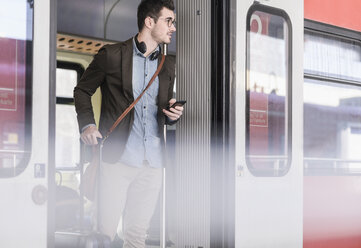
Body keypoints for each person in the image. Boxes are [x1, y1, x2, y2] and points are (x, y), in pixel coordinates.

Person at [73, 0, 182, 247]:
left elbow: (160, 111)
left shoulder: (168, 66)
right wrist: (87, 125)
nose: (173, 28)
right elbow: (82, 91)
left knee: (137, 236)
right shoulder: (111, 55)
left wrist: (173, 114)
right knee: (104, 233)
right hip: (116, 161)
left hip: (153, 163)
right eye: (169, 21)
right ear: (149, 22)